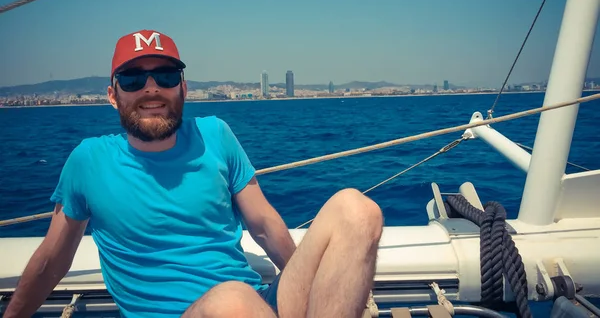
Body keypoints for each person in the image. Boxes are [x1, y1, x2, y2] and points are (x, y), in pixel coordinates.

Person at [5, 30, 383, 318]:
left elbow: (265, 224)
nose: (151, 88)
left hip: (254, 303)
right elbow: (50, 261)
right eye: (134, 80)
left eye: (166, 77)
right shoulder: (88, 161)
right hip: (208, 310)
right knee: (232, 301)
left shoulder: (216, 135)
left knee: (356, 210)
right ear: (112, 95)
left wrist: (309, 283)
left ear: (183, 88)